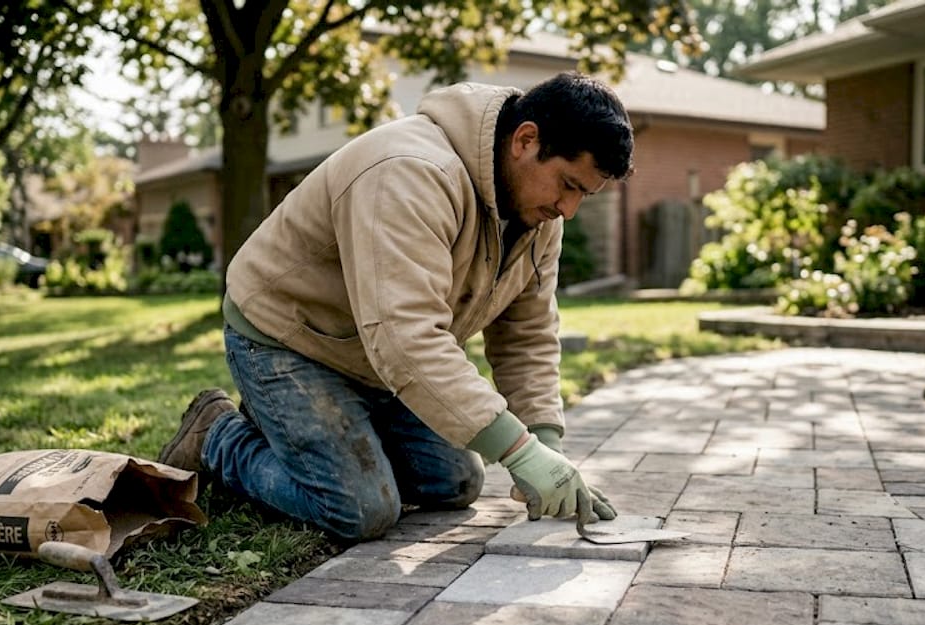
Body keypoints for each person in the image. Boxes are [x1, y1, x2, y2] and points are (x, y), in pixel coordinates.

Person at [159, 72, 627, 541]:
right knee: (360, 508)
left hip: (369, 350)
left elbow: (525, 334)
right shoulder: (408, 172)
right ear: (526, 140)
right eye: (567, 184)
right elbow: (407, 337)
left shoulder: (539, 217)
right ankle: (217, 435)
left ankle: (319, 435)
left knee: (457, 482)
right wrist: (519, 450)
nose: (569, 209)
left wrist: (544, 442)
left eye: (583, 194)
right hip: (288, 339)